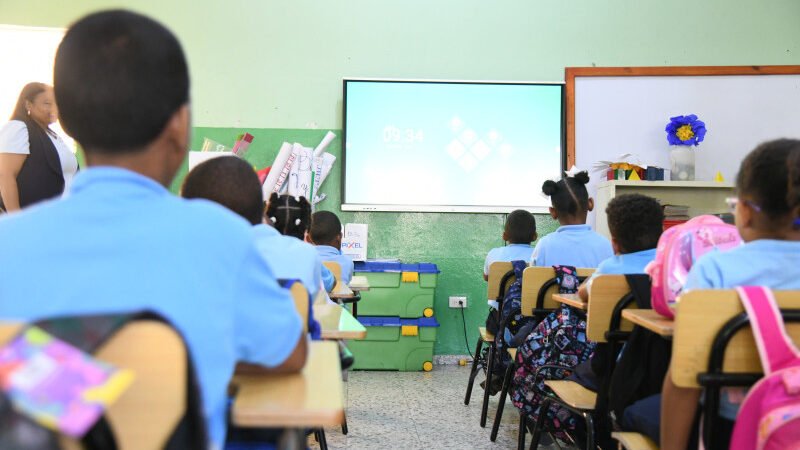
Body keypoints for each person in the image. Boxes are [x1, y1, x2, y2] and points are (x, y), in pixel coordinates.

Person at [0, 10, 305, 449]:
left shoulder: (8, 244)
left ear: (65, 121)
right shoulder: (221, 236)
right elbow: (289, 355)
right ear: (179, 126)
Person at [645, 139, 800, 450]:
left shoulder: (714, 269)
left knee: (635, 412)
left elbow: (685, 378)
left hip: (732, 430)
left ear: (743, 212)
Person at [511, 193, 663, 443]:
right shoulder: (675, 270)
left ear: (615, 244)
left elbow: (583, 292)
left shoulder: (609, 271)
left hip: (612, 369)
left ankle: (565, 426)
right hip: (660, 368)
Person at [0, 82, 78, 212]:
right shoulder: (19, 127)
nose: (53, 108)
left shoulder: (53, 136)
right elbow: (6, 176)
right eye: (47, 104)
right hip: (33, 220)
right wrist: (17, 221)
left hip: (63, 216)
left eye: (55, 104)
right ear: (28, 104)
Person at [530, 171, 613, 268]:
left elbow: (533, 280)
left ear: (553, 212)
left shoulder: (543, 247)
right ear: (590, 203)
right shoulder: (605, 246)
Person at [483, 209, 537, 282]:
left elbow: (487, 277)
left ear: (504, 236)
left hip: (501, 294)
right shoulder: (539, 255)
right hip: (531, 293)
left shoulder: (493, 254)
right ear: (535, 236)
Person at [308, 210, 354, 285]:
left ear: (309, 238)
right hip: (339, 297)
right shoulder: (347, 262)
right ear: (339, 237)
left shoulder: (305, 260)